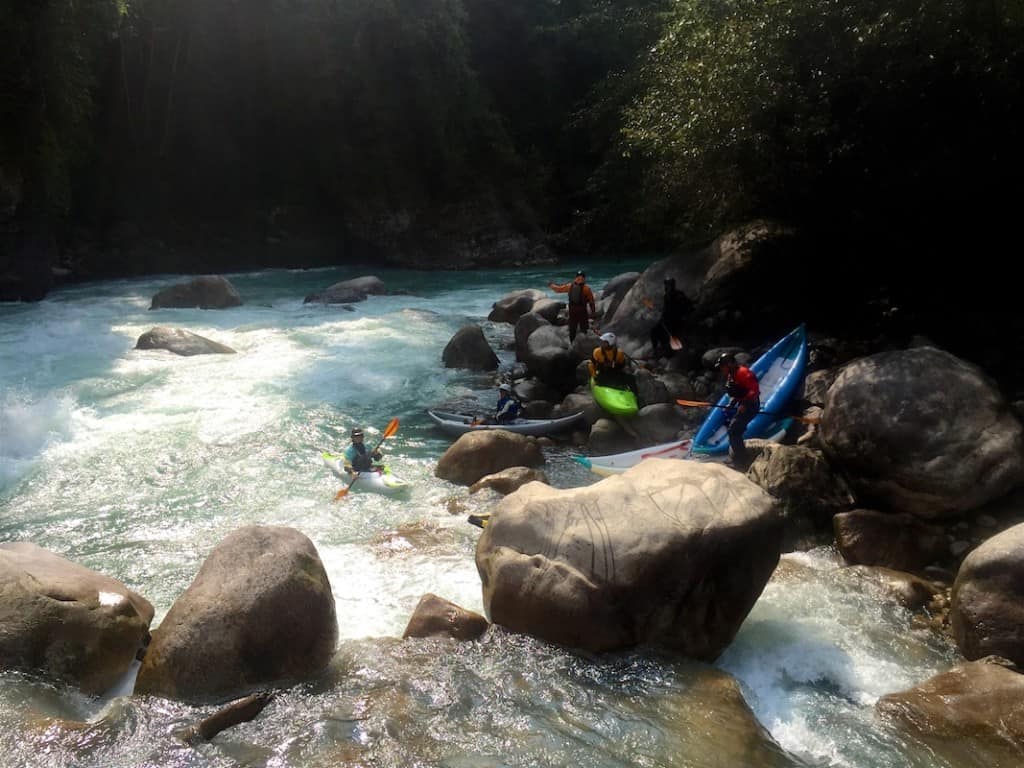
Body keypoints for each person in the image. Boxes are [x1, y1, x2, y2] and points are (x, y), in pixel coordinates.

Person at [716, 352, 760, 469]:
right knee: (734, 430)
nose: (721, 369)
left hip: (751, 405)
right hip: (744, 403)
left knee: (734, 431)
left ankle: (742, 462)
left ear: (730, 364)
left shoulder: (744, 373)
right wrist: (731, 404)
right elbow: (737, 392)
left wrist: (745, 404)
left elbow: (754, 391)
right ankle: (739, 457)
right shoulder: (732, 375)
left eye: (723, 366)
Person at [650, 277, 693, 358]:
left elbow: (688, 306)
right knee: (654, 331)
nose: (668, 287)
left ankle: (668, 351)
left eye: (670, 285)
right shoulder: (666, 296)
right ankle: (656, 351)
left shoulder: (679, 295)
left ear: (673, 285)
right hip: (667, 321)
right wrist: (662, 317)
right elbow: (666, 310)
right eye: (667, 285)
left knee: (668, 333)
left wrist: (684, 316)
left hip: (677, 321)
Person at [548, 269, 596, 342]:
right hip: (582, 310)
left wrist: (551, 285)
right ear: (584, 278)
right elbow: (591, 302)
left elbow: (558, 290)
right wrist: (593, 312)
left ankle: (572, 343)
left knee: (572, 328)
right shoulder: (587, 288)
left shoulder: (570, 286)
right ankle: (584, 343)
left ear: (575, 277)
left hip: (572, 310)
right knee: (584, 328)